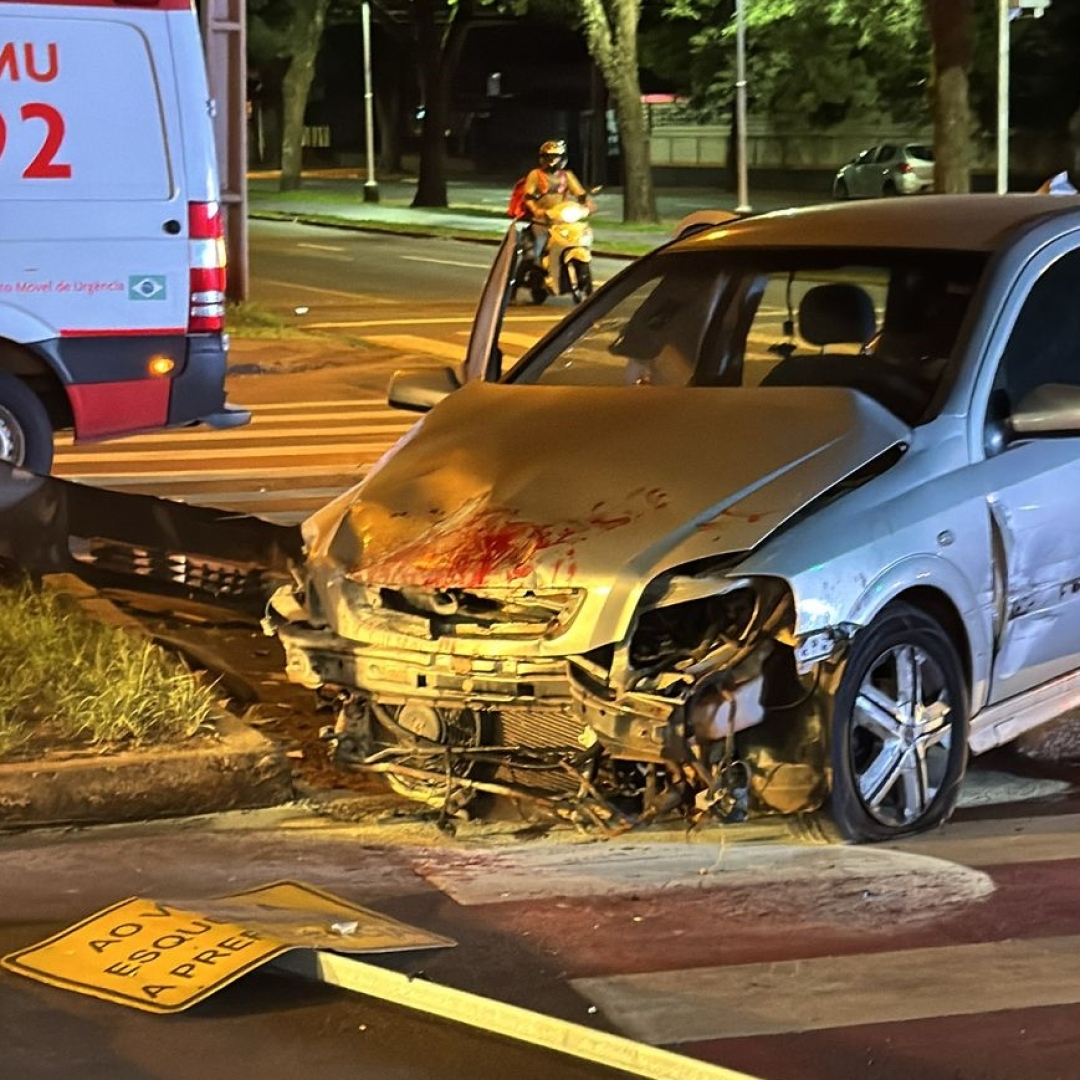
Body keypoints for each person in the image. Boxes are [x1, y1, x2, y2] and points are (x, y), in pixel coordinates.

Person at [520, 139, 593, 278]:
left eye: (555, 156)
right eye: (548, 156)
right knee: (532, 255)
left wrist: (587, 204)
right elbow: (528, 197)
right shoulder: (535, 175)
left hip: (561, 221)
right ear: (542, 158)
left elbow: (580, 193)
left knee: (578, 240)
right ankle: (515, 286)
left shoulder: (567, 176)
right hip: (542, 222)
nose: (552, 160)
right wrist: (536, 210)